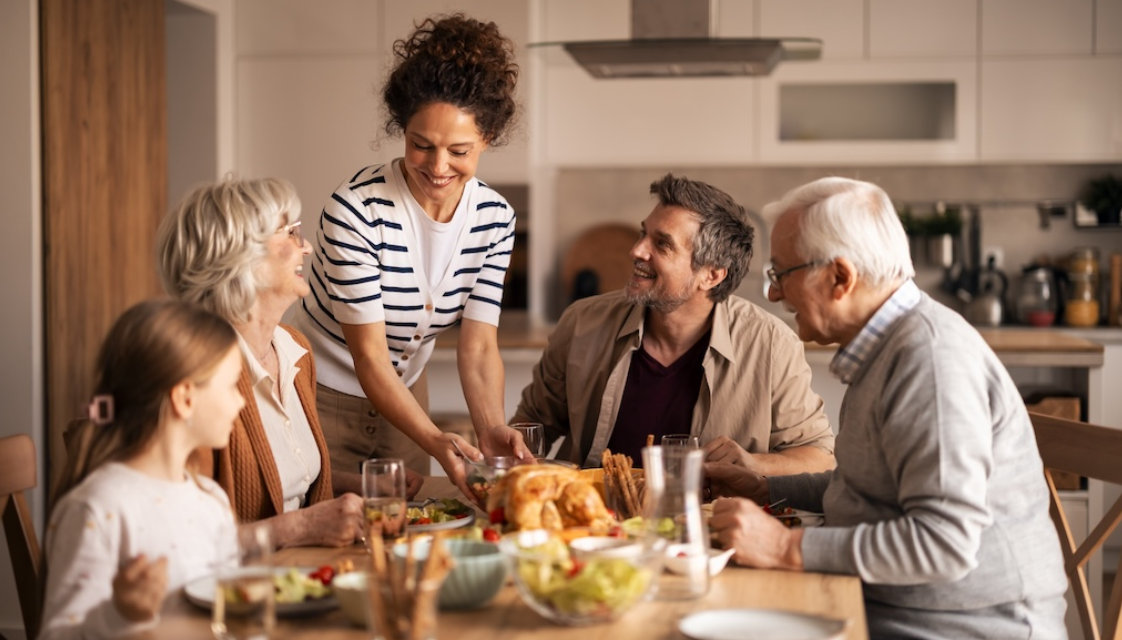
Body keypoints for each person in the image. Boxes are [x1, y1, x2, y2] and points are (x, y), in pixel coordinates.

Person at [707, 177, 1067, 638]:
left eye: (780, 274)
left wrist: (785, 548)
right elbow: (864, 487)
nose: (774, 295)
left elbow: (944, 544)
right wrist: (763, 487)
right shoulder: (886, 347)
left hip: (962, 626)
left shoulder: (930, 361)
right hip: (890, 606)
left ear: (840, 277)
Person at [295, 14, 530, 500]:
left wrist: (490, 429)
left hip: (406, 395)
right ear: (403, 130)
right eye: (421, 145)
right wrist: (434, 437)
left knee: (410, 533)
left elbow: (479, 345)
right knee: (327, 535)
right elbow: (370, 356)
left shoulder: (495, 218)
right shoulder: (355, 209)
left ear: (488, 139)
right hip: (321, 395)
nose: (438, 167)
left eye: (459, 150)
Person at [157, 177, 421, 548]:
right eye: (291, 234)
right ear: (239, 256)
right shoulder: (192, 377)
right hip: (235, 595)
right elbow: (173, 538)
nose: (307, 248)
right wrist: (299, 528)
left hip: (300, 576)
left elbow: (291, 481)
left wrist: (358, 484)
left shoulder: (294, 349)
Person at [512, 173, 836, 473]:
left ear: (711, 275)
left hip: (709, 528)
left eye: (662, 244)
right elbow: (532, 424)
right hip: (597, 529)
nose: (636, 250)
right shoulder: (582, 322)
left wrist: (753, 464)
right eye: (644, 234)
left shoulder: (771, 345)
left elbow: (819, 456)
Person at [41, 300, 242, 639]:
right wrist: (120, 615)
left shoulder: (212, 501)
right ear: (185, 398)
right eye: (232, 385)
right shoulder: (97, 510)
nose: (242, 401)